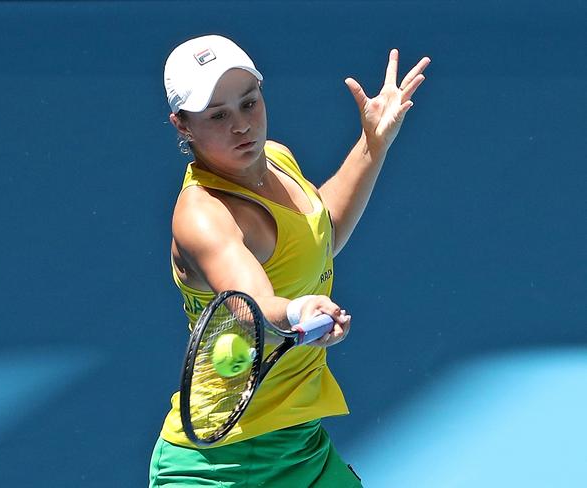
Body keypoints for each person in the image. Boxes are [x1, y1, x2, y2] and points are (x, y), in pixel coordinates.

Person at [150, 34, 430, 487]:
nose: (241, 125)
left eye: (249, 103)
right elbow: (249, 303)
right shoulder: (203, 216)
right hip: (220, 467)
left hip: (300, 445)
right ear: (183, 125)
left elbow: (320, 235)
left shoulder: (276, 157)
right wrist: (298, 310)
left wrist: (372, 144)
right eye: (217, 115)